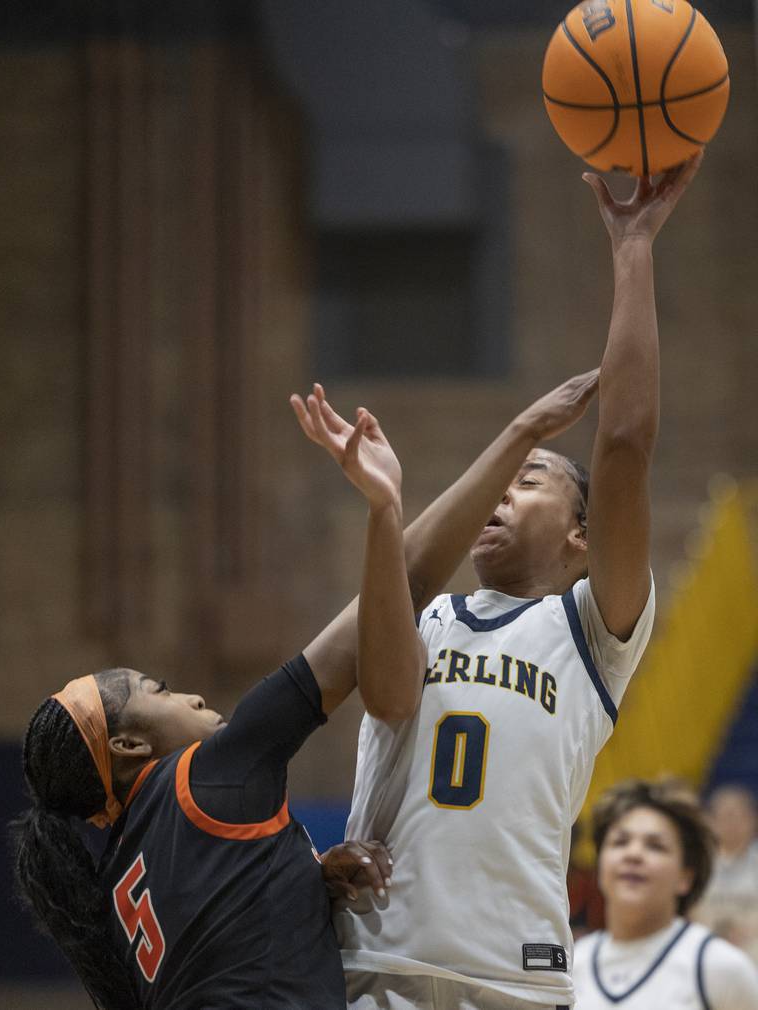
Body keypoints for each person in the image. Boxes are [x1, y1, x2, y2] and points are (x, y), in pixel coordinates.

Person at [293, 153, 704, 1010]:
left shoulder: (592, 634)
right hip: (377, 964)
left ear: (582, 537)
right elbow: (389, 679)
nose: (503, 494)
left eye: (532, 480)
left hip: (516, 976)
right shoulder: (426, 615)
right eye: (499, 482)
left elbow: (624, 447)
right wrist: (412, 493)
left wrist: (633, 247)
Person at [11, 408, 411, 1010]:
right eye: (160, 690)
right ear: (128, 745)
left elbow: (234, 945)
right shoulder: (199, 779)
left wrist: (308, 878)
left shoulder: (118, 887)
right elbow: (381, 614)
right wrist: (389, 502)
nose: (192, 697)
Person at [573, 778, 758, 1008]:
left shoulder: (722, 969)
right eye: (620, 842)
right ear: (600, 863)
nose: (633, 854)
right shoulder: (573, 963)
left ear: (685, 876)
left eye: (655, 846)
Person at [693, 783, 758, 961]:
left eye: (738, 816)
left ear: (753, 820)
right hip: (706, 944)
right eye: (725, 816)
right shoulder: (697, 862)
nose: (732, 824)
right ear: (710, 821)